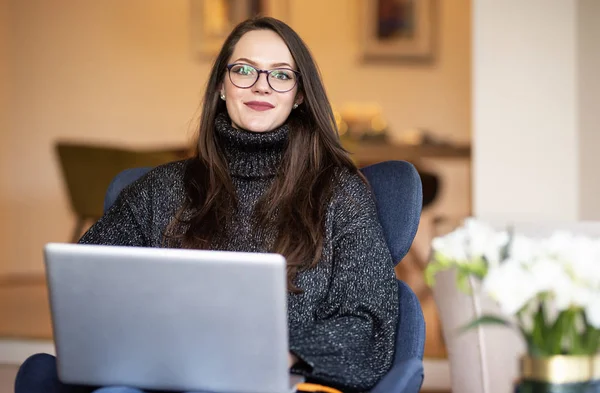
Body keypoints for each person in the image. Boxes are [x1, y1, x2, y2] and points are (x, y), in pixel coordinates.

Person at [15, 16, 399, 393]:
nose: (262, 86)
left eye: (281, 75)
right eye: (245, 70)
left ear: (299, 95)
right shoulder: (160, 189)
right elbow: (85, 287)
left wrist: (281, 350)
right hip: (155, 373)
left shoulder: (339, 193)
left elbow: (370, 330)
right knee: (43, 374)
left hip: (261, 384)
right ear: (221, 84)